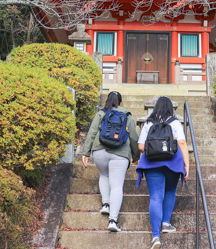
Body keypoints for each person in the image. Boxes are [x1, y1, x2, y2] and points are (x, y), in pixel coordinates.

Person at [81, 91, 140, 233]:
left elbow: (92, 132)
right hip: (120, 153)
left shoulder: (101, 113)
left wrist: (86, 152)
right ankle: (113, 220)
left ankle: (105, 204)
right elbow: (133, 136)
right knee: (117, 185)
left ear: (107, 101)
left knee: (104, 175)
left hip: (100, 150)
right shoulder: (126, 114)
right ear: (120, 103)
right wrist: (136, 156)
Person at [136, 96, 189, 249]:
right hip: (172, 163)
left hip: (152, 164)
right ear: (170, 109)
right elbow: (182, 143)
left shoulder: (148, 123)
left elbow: (140, 146)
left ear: (156, 107)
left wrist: (154, 147)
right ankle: (166, 223)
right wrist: (187, 165)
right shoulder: (175, 123)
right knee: (170, 191)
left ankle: (155, 236)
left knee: (155, 197)